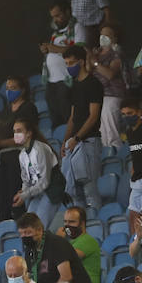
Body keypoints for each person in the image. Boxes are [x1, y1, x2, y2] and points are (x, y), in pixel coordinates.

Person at [53, 47, 103, 213]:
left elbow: (93, 116)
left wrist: (77, 137)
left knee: (89, 189)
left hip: (89, 142)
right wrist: (65, 141)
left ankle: (95, 223)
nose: (69, 66)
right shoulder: (74, 85)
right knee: (73, 190)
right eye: (66, 63)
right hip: (74, 143)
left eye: (72, 63)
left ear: (81, 62)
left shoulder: (94, 84)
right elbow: (73, 117)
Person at [0, 76, 41, 223]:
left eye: (13, 88)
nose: (9, 91)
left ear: (23, 90)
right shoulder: (6, 111)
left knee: (16, 198)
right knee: (3, 202)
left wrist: (1, 143)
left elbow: (24, 136)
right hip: (4, 159)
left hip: (20, 157)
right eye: (7, 88)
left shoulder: (28, 108)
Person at [19, 212, 93, 283]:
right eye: (21, 233)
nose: (24, 236)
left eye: (28, 233)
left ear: (39, 230)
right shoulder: (30, 248)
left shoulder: (56, 244)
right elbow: (30, 275)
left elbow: (66, 277)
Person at [12, 115, 65, 231]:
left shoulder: (40, 149)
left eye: (19, 131)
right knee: (28, 225)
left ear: (29, 133)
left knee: (38, 228)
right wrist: (23, 191)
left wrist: (25, 195)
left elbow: (45, 181)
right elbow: (26, 179)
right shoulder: (22, 155)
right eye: (14, 131)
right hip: (36, 192)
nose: (16, 134)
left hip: (51, 191)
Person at [90, 27, 129, 148]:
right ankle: (109, 158)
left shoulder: (116, 53)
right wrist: (91, 57)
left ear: (114, 38)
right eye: (101, 35)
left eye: (107, 35)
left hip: (113, 95)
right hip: (99, 95)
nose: (103, 38)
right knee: (102, 133)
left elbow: (110, 74)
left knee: (112, 133)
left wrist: (95, 64)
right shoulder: (96, 54)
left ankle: (117, 153)